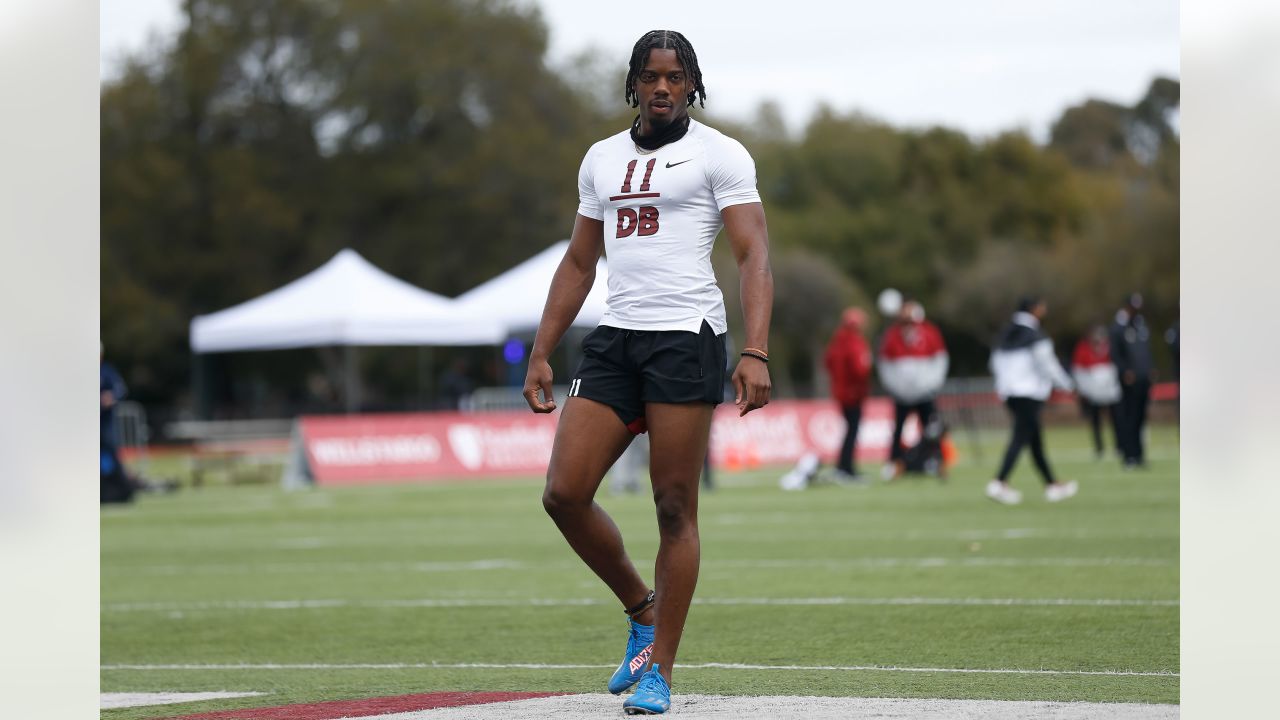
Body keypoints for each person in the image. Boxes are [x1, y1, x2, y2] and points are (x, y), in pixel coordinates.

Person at [522, 30, 773, 716]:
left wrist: (756, 349)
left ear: (693, 84)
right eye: (650, 76)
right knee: (563, 493)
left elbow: (753, 253)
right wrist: (542, 349)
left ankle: (660, 669)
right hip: (617, 340)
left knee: (673, 507)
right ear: (632, 84)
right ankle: (641, 609)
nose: (662, 88)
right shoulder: (600, 158)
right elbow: (579, 263)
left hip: (686, 339)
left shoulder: (721, 154)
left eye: (675, 77)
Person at [986, 297, 1077, 505]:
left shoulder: (1004, 334)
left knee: (1034, 440)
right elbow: (1048, 364)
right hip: (1029, 393)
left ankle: (1052, 485)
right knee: (1020, 437)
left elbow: (993, 363)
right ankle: (999, 482)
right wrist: (1068, 385)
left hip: (1009, 393)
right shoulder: (1035, 335)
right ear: (1034, 309)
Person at [876, 299, 948, 480]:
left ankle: (936, 462)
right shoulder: (892, 335)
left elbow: (940, 360)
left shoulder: (929, 332)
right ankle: (894, 464)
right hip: (902, 395)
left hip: (925, 392)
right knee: (898, 430)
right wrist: (895, 387)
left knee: (932, 429)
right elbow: (885, 365)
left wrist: (932, 384)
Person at [823, 307, 873, 481]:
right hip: (853, 393)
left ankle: (844, 465)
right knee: (852, 430)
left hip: (841, 392)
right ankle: (847, 467)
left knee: (850, 429)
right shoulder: (854, 342)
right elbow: (861, 368)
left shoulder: (837, 340)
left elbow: (827, 362)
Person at [1110, 292, 1154, 468]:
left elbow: (1145, 352)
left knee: (1141, 418)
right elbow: (1116, 354)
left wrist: (1150, 369)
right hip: (1129, 381)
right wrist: (1124, 371)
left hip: (1143, 379)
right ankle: (1129, 455)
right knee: (1129, 417)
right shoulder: (1118, 327)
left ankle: (1139, 455)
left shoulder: (1140, 325)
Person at [1071, 325, 1122, 459]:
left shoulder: (1110, 347)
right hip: (1093, 391)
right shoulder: (1083, 348)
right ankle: (1099, 448)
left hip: (1109, 390)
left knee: (1116, 419)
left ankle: (1119, 446)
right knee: (1095, 421)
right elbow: (1079, 369)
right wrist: (1083, 389)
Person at [100, 344, 135, 504]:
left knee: (110, 457)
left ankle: (118, 490)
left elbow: (120, 390)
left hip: (105, 425)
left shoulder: (107, 371)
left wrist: (111, 397)